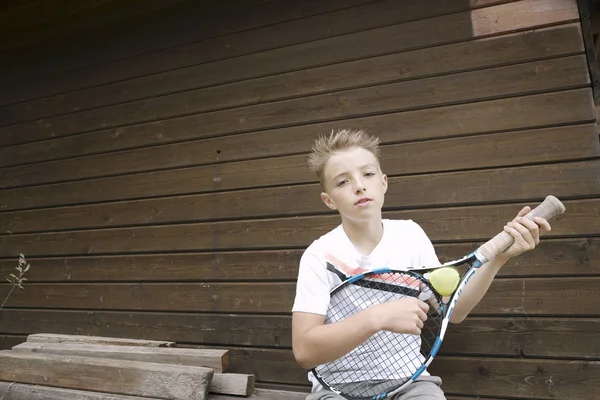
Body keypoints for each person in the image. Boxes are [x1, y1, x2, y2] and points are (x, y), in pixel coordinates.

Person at [291, 129, 551, 399]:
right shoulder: (319, 256)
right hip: (337, 390)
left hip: (409, 383)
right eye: (342, 182)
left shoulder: (410, 236)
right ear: (329, 200)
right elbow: (305, 351)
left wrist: (499, 257)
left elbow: (456, 310)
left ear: (383, 182)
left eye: (367, 174)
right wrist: (377, 318)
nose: (359, 185)